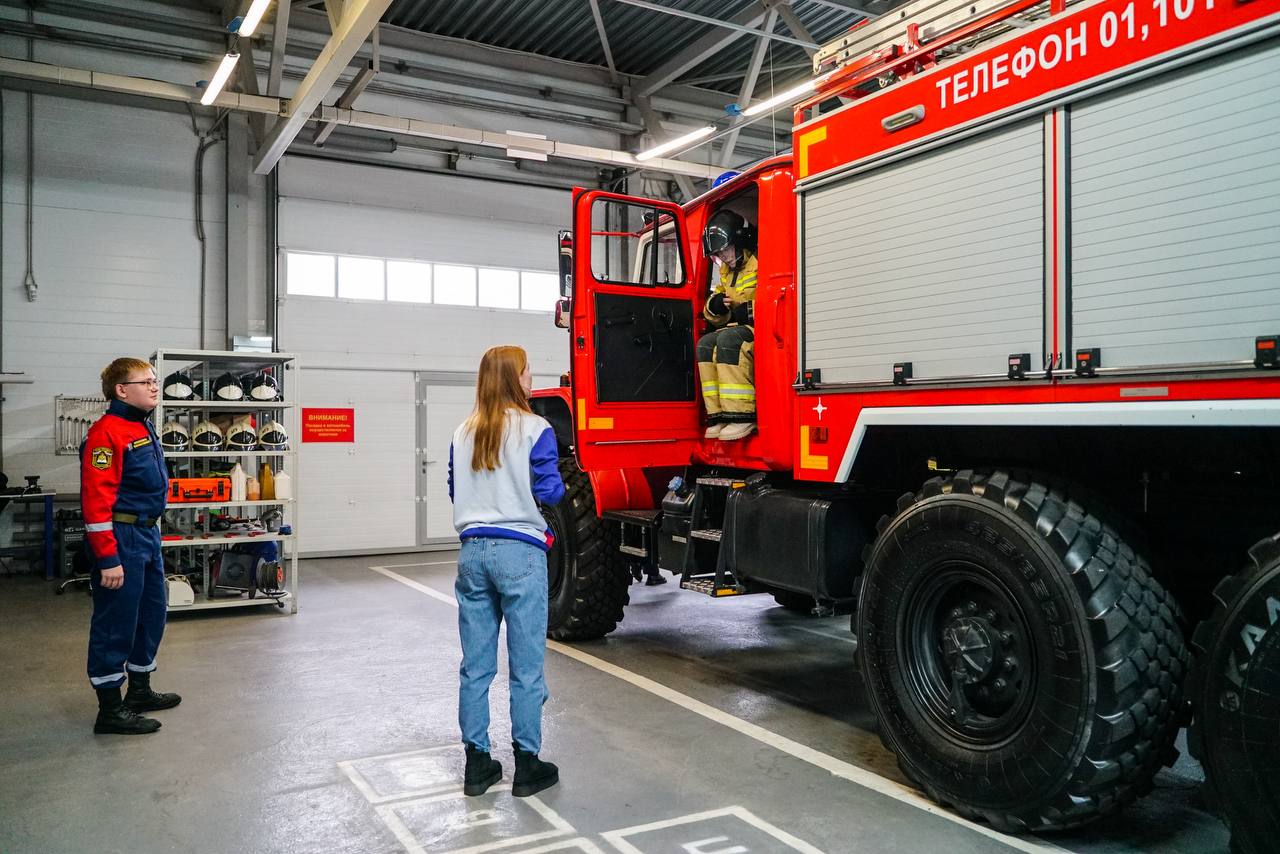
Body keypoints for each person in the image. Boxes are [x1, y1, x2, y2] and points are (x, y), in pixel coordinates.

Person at [448, 345, 565, 797]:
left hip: (471, 553)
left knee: (475, 668)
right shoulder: (537, 429)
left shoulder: (462, 431)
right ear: (516, 379)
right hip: (520, 554)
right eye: (529, 371)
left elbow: (454, 488)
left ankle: (477, 765)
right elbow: (551, 491)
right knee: (526, 667)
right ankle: (527, 764)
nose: (533, 378)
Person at [82, 357, 181, 735]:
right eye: (146, 381)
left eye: (155, 380)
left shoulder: (141, 427)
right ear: (122, 390)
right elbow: (95, 501)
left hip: (147, 536)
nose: (155, 386)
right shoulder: (107, 432)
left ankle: (139, 690)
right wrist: (107, 557)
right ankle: (109, 709)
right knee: (116, 622)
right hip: (121, 539)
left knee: (152, 613)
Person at [697, 209, 758, 441]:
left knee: (729, 341)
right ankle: (718, 416)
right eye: (718, 253)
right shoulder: (726, 270)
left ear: (740, 241)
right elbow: (717, 310)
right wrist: (715, 307)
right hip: (742, 326)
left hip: (765, 327)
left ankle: (742, 416)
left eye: (725, 249)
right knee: (705, 344)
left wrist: (748, 309)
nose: (722, 256)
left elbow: (781, 300)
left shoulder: (761, 263)